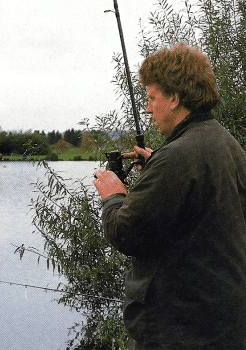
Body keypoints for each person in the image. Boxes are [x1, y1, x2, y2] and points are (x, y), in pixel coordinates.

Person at [93, 43, 246, 349]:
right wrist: (156, 168)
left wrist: (113, 195)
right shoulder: (226, 143)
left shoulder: (177, 157)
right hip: (223, 326)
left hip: (179, 333)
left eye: (151, 98)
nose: (148, 108)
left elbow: (126, 232)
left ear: (174, 98)